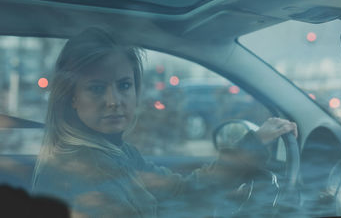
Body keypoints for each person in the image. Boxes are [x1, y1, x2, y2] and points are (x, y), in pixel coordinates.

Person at [31, 27, 297, 217]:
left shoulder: (117, 154)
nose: (114, 101)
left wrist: (254, 143)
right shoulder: (77, 173)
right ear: (72, 97)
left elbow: (182, 190)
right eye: (97, 88)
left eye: (124, 85)